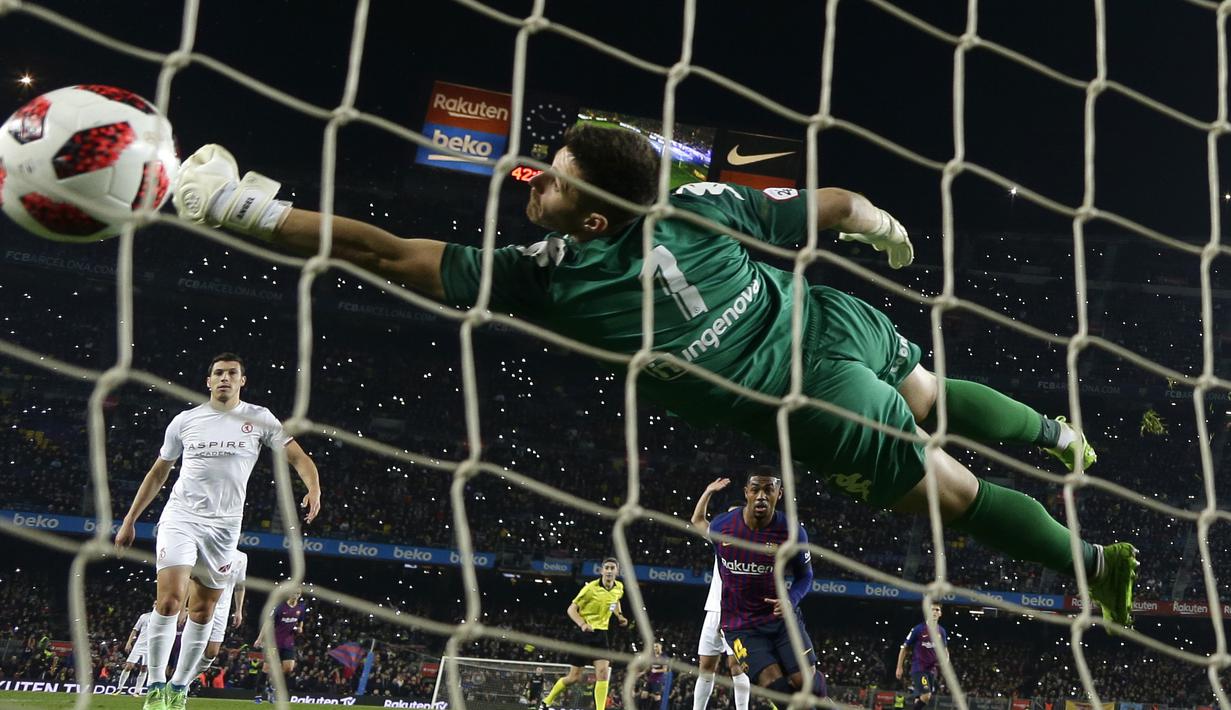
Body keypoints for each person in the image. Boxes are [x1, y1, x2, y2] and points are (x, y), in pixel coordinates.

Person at [170, 126, 1137, 626]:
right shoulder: (703, 202)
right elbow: (832, 205)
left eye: (547, 180)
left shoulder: (549, 279)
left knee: (953, 495)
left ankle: (1089, 569)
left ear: (590, 218)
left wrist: (247, 213)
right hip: (826, 322)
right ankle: (1054, 434)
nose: (531, 184)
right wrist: (884, 230)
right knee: (928, 388)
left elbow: (387, 254)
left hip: (814, 406)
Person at [114, 352, 322, 710]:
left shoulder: (259, 418)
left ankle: (178, 688)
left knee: (203, 612)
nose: (224, 378)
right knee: (169, 600)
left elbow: (299, 457)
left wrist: (313, 487)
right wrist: (130, 519)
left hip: (224, 528)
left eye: (232, 373)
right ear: (208, 381)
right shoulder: (185, 421)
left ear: (242, 381)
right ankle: (155, 686)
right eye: (218, 373)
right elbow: (158, 473)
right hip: (181, 517)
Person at [703, 467, 826, 699]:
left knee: (806, 684)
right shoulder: (722, 527)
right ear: (746, 492)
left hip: (780, 619)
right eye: (755, 489)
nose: (761, 495)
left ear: (778, 494)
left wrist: (790, 599)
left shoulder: (793, 532)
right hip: (741, 625)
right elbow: (699, 522)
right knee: (774, 686)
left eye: (769, 489)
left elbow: (805, 576)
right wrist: (708, 492)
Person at [689, 478, 752, 710]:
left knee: (737, 666)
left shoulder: (754, 544)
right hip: (714, 609)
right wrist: (707, 491)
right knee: (706, 666)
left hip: (738, 613)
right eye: (729, 515)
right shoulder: (721, 539)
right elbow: (697, 521)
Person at [542, 557, 629, 709]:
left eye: (612, 568)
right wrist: (582, 624)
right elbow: (571, 609)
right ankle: (546, 701)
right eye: (606, 568)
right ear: (602, 570)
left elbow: (615, 601)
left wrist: (619, 615)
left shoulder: (619, 587)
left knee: (603, 673)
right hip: (583, 635)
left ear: (617, 571)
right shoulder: (590, 588)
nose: (609, 570)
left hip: (601, 635)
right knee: (573, 678)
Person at [186, 549, 247, 690]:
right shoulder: (211, 549)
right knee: (196, 647)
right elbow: (192, 579)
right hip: (202, 604)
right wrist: (185, 605)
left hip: (222, 611)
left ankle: (185, 680)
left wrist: (238, 610)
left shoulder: (242, 557)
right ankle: (180, 684)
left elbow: (239, 586)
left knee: (212, 653)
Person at [254, 588, 308, 702]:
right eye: (294, 592)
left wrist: (300, 629)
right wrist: (260, 639)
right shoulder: (280, 607)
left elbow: (301, 623)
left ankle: (272, 686)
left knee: (289, 668)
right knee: (266, 668)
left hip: (288, 643)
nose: (296, 595)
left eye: (298, 593)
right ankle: (258, 694)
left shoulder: (300, 608)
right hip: (274, 643)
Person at [896, 606, 948, 710]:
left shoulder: (941, 631)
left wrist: (945, 662)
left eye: (937, 610)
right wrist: (899, 667)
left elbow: (945, 650)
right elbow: (904, 647)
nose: (934, 612)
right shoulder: (918, 629)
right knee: (926, 696)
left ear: (940, 613)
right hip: (919, 668)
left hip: (932, 670)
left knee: (919, 699)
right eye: (932, 609)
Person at [117, 610, 151, 694]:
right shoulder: (144, 616)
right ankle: (119, 688)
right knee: (129, 666)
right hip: (139, 645)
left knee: (144, 668)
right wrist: (129, 642)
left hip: (151, 646)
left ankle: (137, 691)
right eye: (155, 603)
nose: (156, 605)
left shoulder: (162, 617)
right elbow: (135, 630)